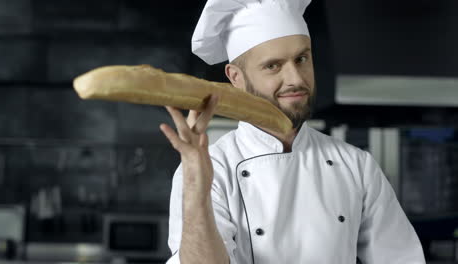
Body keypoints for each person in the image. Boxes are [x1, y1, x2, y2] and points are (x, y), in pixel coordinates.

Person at [160, 0, 426, 263]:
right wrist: (197, 183)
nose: (296, 79)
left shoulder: (356, 166)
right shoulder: (212, 168)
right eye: (273, 66)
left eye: (301, 59)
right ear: (235, 77)